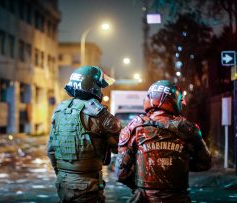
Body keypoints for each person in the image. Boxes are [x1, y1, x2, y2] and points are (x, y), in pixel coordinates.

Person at [115, 80, 212, 203]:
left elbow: (121, 173)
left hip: (145, 198)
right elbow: (205, 162)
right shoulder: (188, 129)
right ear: (175, 100)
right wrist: (180, 164)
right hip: (178, 198)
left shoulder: (135, 127)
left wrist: (142, 177)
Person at [47, 65, 121, 203]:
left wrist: (63, 174)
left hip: (63, 182)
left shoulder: (60, 110)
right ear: (93, 87)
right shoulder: (99, 114)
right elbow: (120, 146)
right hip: (87, 185)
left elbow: (51, 150)